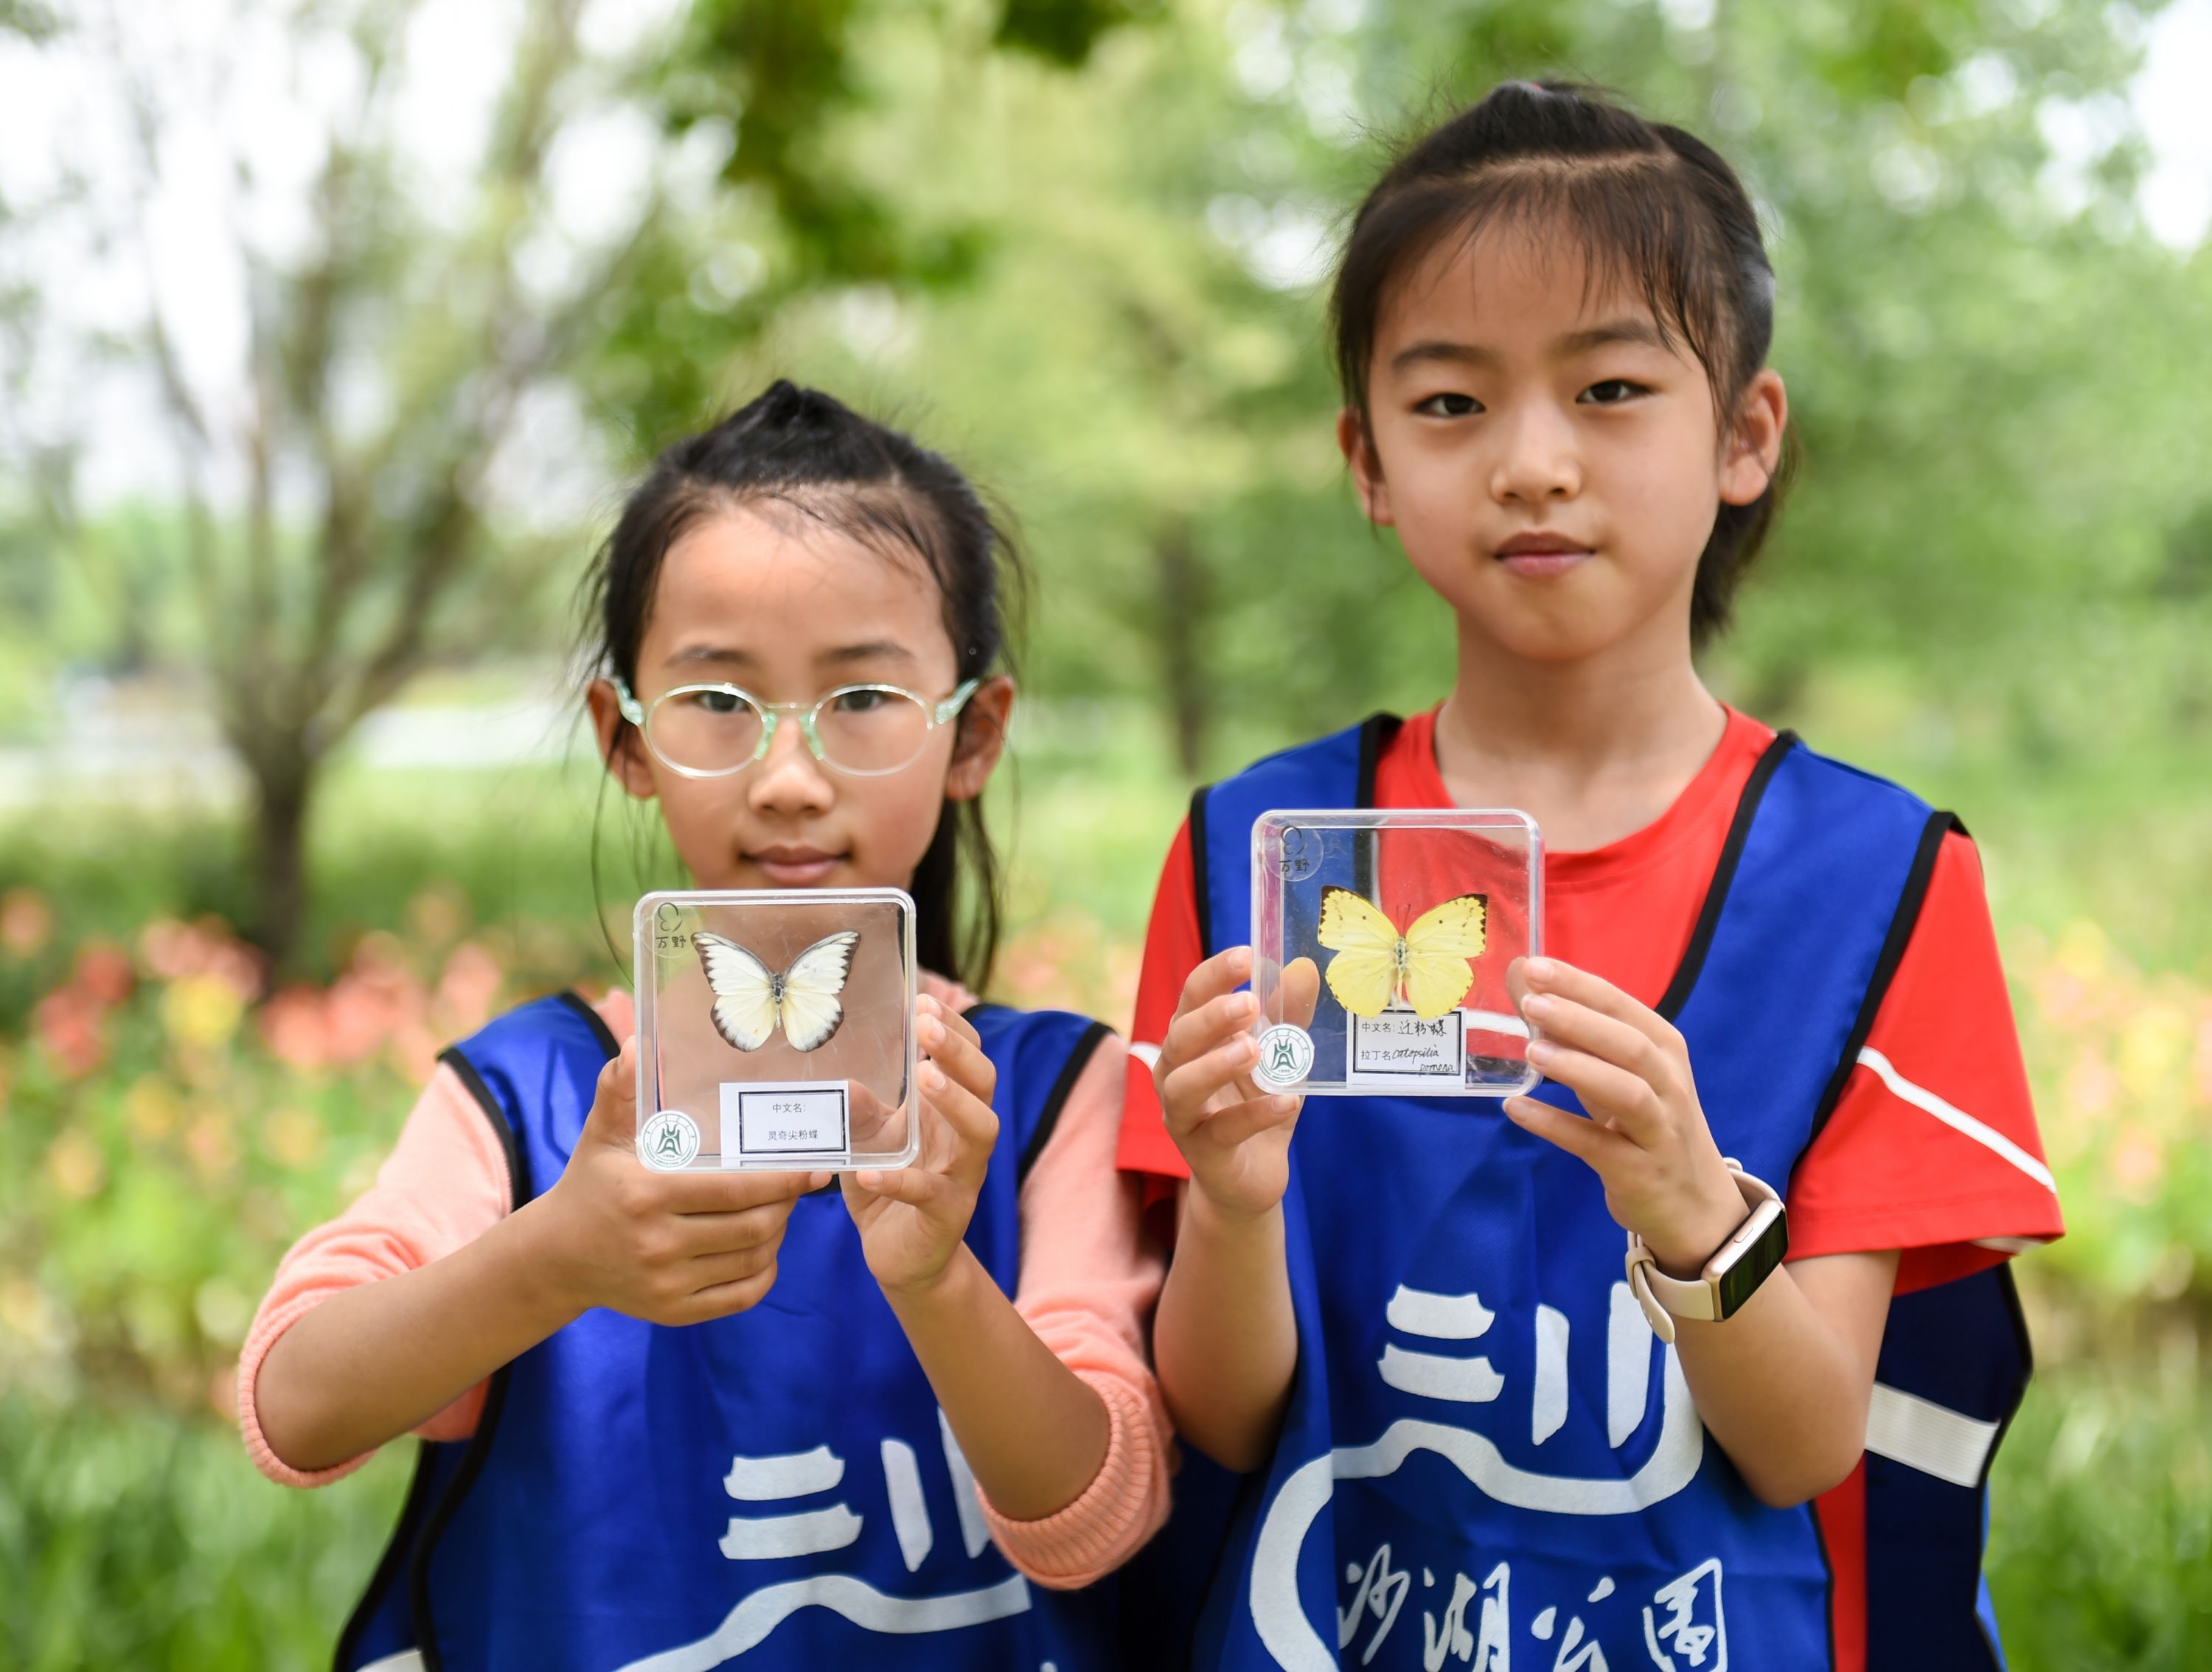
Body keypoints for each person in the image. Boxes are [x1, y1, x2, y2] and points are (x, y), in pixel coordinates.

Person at [1126, 83, 2063, 1672]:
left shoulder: (1880, 880)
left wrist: (1694, 1212)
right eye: (1450, 403)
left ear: (1745, 436)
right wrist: (1231, 1200)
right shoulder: (1251, 851)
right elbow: (1218, 1417)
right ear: (1366, 460)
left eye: (1611, 388)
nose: (1532, 463)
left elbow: (1808, 1446)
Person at [239, 382, 1172, 1670]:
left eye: (863, 698)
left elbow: (1098, 1520)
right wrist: (557, 1257)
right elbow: (295, 1407)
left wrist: (938, 1280)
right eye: (721, 703)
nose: (788, 778)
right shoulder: (529, 1096)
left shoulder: (1053, 1095)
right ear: (625, 738)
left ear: (975, 733)